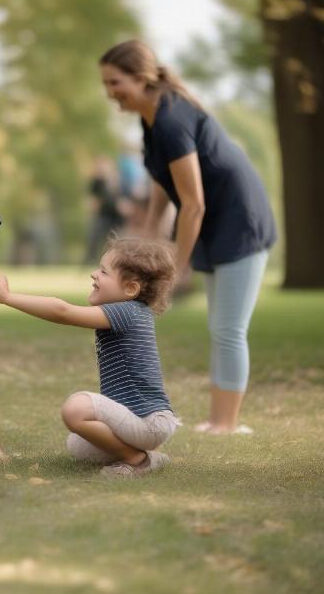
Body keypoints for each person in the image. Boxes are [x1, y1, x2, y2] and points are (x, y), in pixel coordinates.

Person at [99, 40, 277, 434]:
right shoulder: (151, 119)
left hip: (239, 221)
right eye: (106, 85)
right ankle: (219, 420)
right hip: (214, 221)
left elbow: (193, 203)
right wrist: (147, 233)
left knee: (228, 327)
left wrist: (176, 266)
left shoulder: (171, 120)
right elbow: (165, 184)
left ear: (142, 78)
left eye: (115, 82)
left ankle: (226, 423)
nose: (110, 92)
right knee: (221, 325)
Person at [0, 236, 181, 478]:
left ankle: (137, 460)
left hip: (150, 422)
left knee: (76, 409)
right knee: (77, 446)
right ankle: (150, 454)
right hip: (143, 423)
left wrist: (9, 298)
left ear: (130, 288)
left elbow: (62, 312)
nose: (94, 275)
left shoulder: (127, 312)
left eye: (104, 272)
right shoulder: (132, 312)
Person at [83, 155, 127, 264]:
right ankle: (91, 261)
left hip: (116, 217)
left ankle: (115, 263)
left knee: (115, 240)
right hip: (103, 215)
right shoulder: (97, 182)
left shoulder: (116, 180)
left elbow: (121, 198)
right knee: (95, 239)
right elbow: (93, 201)